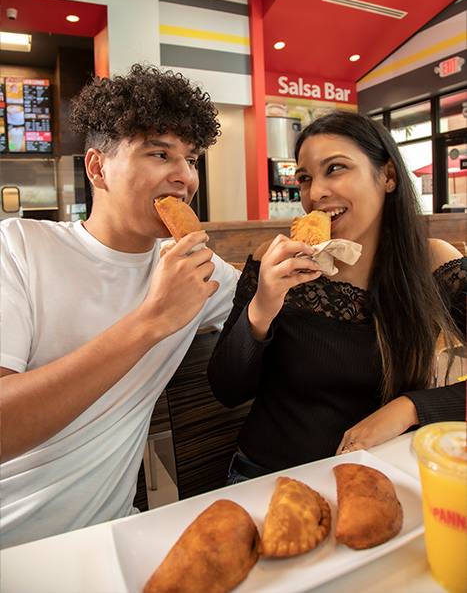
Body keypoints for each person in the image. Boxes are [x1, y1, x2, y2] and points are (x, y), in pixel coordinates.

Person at [0, 64, 240, 548]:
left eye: (191, 159)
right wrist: (151, 321)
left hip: (107, 537)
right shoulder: (18, 247)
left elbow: (286, 306)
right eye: (159, 153)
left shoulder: (193, 267)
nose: (184, 176)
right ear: (97, 168)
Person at [207, 110, 466, 484]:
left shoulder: (432, 263)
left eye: (336, 169)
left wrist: (410, 408)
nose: (315, 194)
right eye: (305, 178)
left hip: (382, 479)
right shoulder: (274, 261)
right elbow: (227, 390)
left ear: (388, 176)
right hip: (268, 478)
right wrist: (262, 306)